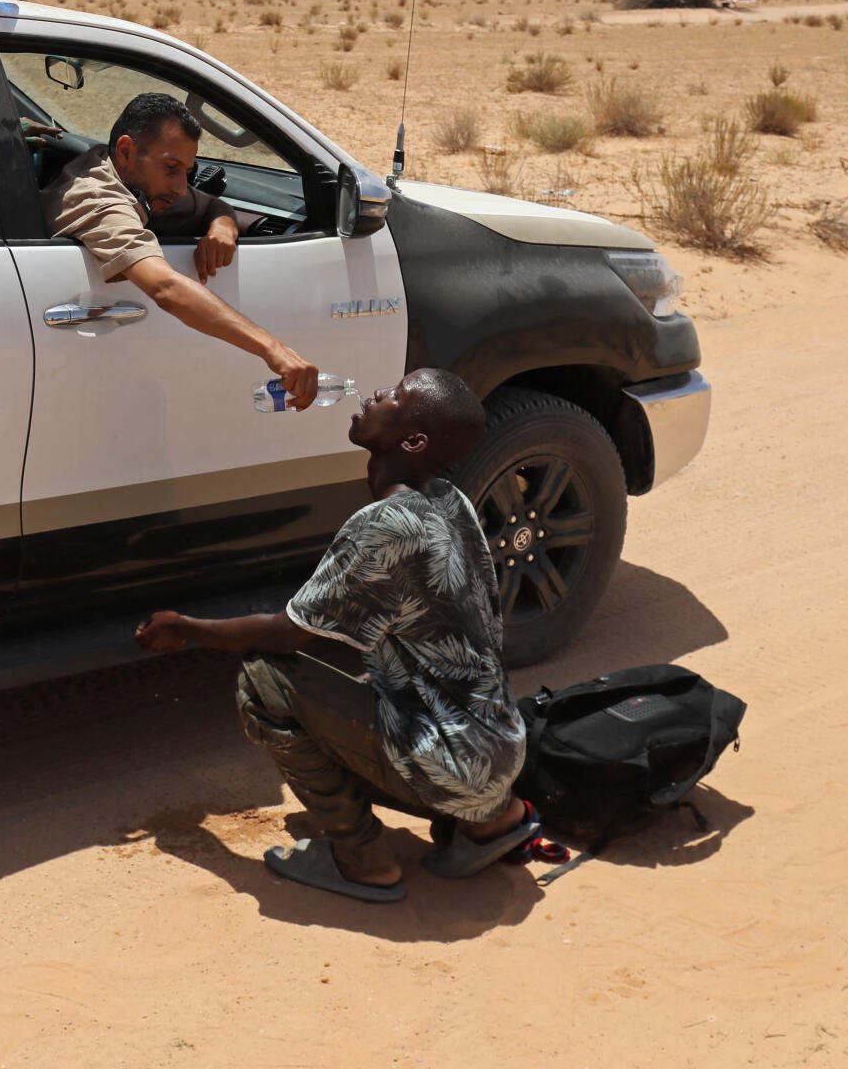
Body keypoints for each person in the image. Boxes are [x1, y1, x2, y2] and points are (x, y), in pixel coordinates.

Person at [134, 368, 538, 903]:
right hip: (498, 748)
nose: (375, 394)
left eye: (394, 396)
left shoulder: (388, 525)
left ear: (413, 440)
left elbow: (285, 635)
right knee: (365, 674)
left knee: (264, 681)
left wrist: (185, 628)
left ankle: (363, 859)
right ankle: (492, 822)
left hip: (451, 761)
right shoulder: (449, 500)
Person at [43, 92, 319, 409]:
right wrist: (274, 350)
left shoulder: (129, 176)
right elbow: (165, 287)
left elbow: (212, 205)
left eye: (187, 171)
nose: (180, 187)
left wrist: (222, 227)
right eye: (171, 168)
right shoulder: (99, 200)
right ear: (125, 150)